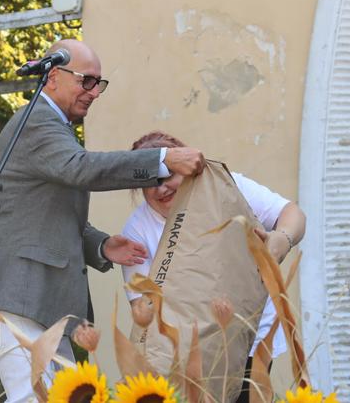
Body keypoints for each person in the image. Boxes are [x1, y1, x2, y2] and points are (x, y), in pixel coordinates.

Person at [0, 41, 205, 402]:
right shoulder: (37, 121)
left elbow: (46, 217)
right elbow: (80, 170)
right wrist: (163, 160)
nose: (94, 92)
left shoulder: (52, 125)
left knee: (58, 396)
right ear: (52, 77)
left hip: (40, 295)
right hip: (24, 291)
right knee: (31, 397)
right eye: (86, 81)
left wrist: (101, 245)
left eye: (99, 83)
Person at [120, 131, 306, 403]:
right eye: (150, 181)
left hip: (250, 343)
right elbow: (141, 307)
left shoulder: (228, 188)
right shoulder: (137, 230)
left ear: (189, 167)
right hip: (182, 358)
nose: (161, 189)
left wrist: (282, 239)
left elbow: (292, 214)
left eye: (168, 175)